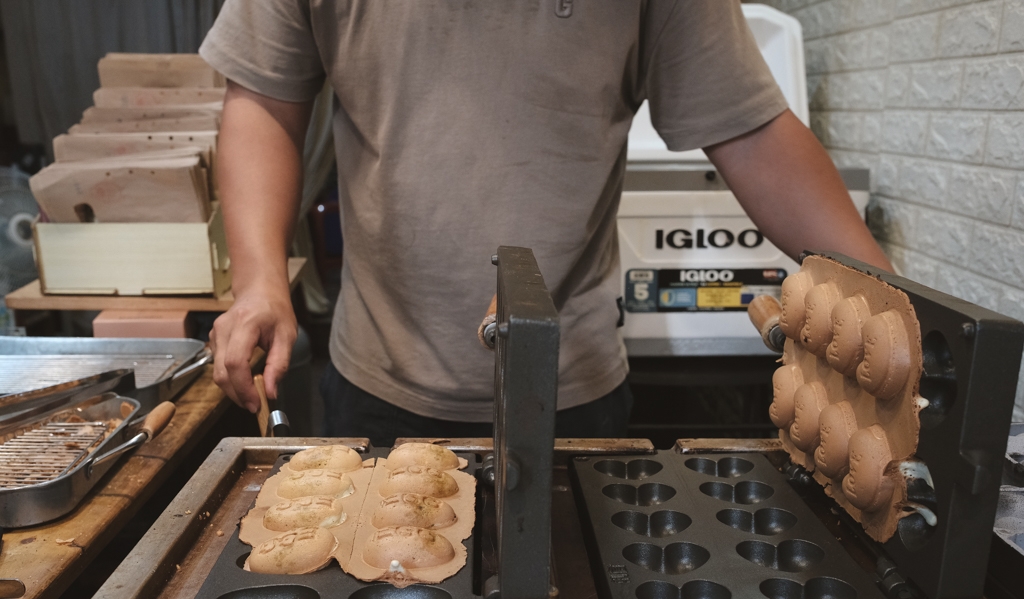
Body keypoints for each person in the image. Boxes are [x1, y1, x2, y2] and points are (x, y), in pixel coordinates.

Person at [199, 1, 892, 446]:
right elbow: (265, 98)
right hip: (379, 378)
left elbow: (751, 129)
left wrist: (891, 302)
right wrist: (261, 281)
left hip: (572, 393)